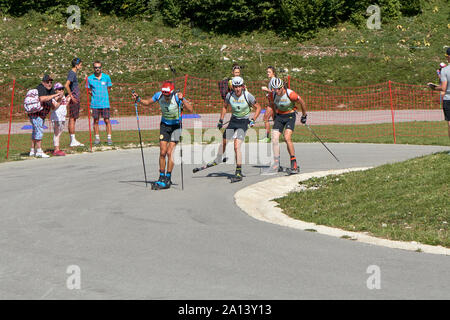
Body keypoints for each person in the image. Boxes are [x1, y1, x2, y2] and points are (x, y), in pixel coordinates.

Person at [131, 81, 193, 189]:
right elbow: (147, 102)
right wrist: (138, 99)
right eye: (165, 94)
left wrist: (182, 99)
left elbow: (191, 109)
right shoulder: (159, 95)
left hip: (176, 127)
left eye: (168, 95)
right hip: (164, 126)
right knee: (162, 152)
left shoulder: (177, 97)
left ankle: (168, 178)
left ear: (171, 92)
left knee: (170, 152)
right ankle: (161, 177)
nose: (166, 97)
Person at [216, 76, 262, 182]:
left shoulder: (247, 95)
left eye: (239, 87)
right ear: (233, 87)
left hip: (243, 122)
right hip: (233, 121)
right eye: (235, 87)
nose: (237, 89)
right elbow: (224, 107)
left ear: (242, 86)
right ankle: (219, 157)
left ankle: (238, 171)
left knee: (236, 146)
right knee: (224, 141)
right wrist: (221, 120)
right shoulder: (229, 95)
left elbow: (258, 107)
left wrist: (253, 119)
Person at [262, 77, 307, 175]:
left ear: (282, 87)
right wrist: (274, 115)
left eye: (278, 88)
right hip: (280, 116)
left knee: (287, 138)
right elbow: (273, 104)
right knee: (274, 138)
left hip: (290, 116)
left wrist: (304, 115)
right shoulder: (272, 95)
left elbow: (302, 102)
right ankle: (276, 164)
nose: (276, 91)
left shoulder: (290, 94)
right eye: (274, 89)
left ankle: (294, 163)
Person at [29, 74, 63, 158]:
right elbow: (41, 98)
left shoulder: (50, 91)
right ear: (43, 82)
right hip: (36, 113)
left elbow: (53, 107)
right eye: (47, 82)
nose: (49, 84)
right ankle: (39, 151)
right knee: (39, 131)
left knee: (35, 131)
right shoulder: (40, 88)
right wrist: (55, 95)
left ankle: (32, 150)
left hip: (42, 114)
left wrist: (60, 99)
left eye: (51, 82)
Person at [86, 61, 113, 145]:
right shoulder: (89, 78)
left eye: (99, 67)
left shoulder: (106, 77)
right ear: (93, 68)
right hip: (95, 104)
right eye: (95, 67)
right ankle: (97, 138)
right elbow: (88, 90)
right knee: (96, 121)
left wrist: (104, 95)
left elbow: (109, 88)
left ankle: (109, 138)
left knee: (107, 120)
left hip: (105, 103)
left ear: (101, 68)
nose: (97, 69)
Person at [429, 48, 450, 139]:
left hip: (448, 99)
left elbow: (443, 88)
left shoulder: (445, 70)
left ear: (448, 57)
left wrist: (433, 87)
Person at [65, 57, 84, 147]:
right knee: (72, 118)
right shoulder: (72, 73)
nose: (81, 66)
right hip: (74, 99)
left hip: (76, 98)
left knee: (73, 118)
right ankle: (72, 140)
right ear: (76, 65)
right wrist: (71, 96)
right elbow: (66, 85)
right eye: (80, 64)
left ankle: (73, 139)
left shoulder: (73, 73)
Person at [50, 82, 70, 156]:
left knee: (60, 133)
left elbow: (64, 105)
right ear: (55, 90)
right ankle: (56, 149)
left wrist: (68, 99)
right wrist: (59, 99)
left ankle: (57, 147)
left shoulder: (63, 96)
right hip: (56, 117)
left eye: (62, 89)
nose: (61, 90)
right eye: (59, 89)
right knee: (56, 133)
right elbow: (54, 107)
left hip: (62, 117)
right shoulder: (53, 98)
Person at [259, 66, 277, 143]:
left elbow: (275, 91)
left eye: (269, 72)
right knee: (275, 120)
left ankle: (267, 137)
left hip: (273, 103)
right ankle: (275, 137)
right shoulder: (272, 81)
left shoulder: (274, 80)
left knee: (265, 118)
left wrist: (266, 90)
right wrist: (268, 94)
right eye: (267, 72)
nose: (267, 73)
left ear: (274, 73)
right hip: (272, 102)